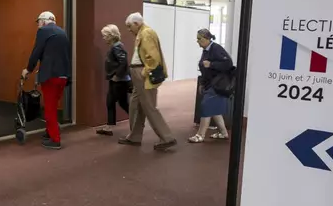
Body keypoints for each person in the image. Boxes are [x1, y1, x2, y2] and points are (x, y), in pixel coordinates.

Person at [119, 12, 177, 151]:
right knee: (136, 106)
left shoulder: (146, 33)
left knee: (149, 107)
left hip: (142, 74)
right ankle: (135, 136)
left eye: (129, 26)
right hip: (138, 73)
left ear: (136, 24)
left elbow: (153, 57)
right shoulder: (143, 33)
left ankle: (167, 137)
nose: (128, 29)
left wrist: (144, 72)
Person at [22, 11, 71, 150]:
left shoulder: (44, 31)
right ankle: (50, 132)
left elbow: (36, 51)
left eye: (38, 22)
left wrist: (28, 69)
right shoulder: (62, 32)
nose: (38, 25)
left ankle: (55, 139)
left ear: (43, 21)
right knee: (53, 105)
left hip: (51, 76)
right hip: (63, 76)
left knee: (49, 108)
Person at [188, 28, 232, 143]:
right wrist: (202, 83)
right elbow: (204, 70)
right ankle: (223, 133)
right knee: (214, 110)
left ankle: (200, 135)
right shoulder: (206, 50)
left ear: (207, 38)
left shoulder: (216, 48)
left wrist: (211, 64)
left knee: (206, 106)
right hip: (209, 84)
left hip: (218, 84)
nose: (197, 41)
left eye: (199, 39)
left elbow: (228, 63)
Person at [96, 24, 131, 136]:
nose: (104, 38)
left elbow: (124, 62)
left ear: (111, 36)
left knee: (120, 102)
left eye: (105, 35)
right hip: (117, 79)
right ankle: (109, 126)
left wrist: (117, 76)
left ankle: (136, 121)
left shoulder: (117, 47)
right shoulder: (116, 46)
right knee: (114, 102)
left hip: (119, 81)